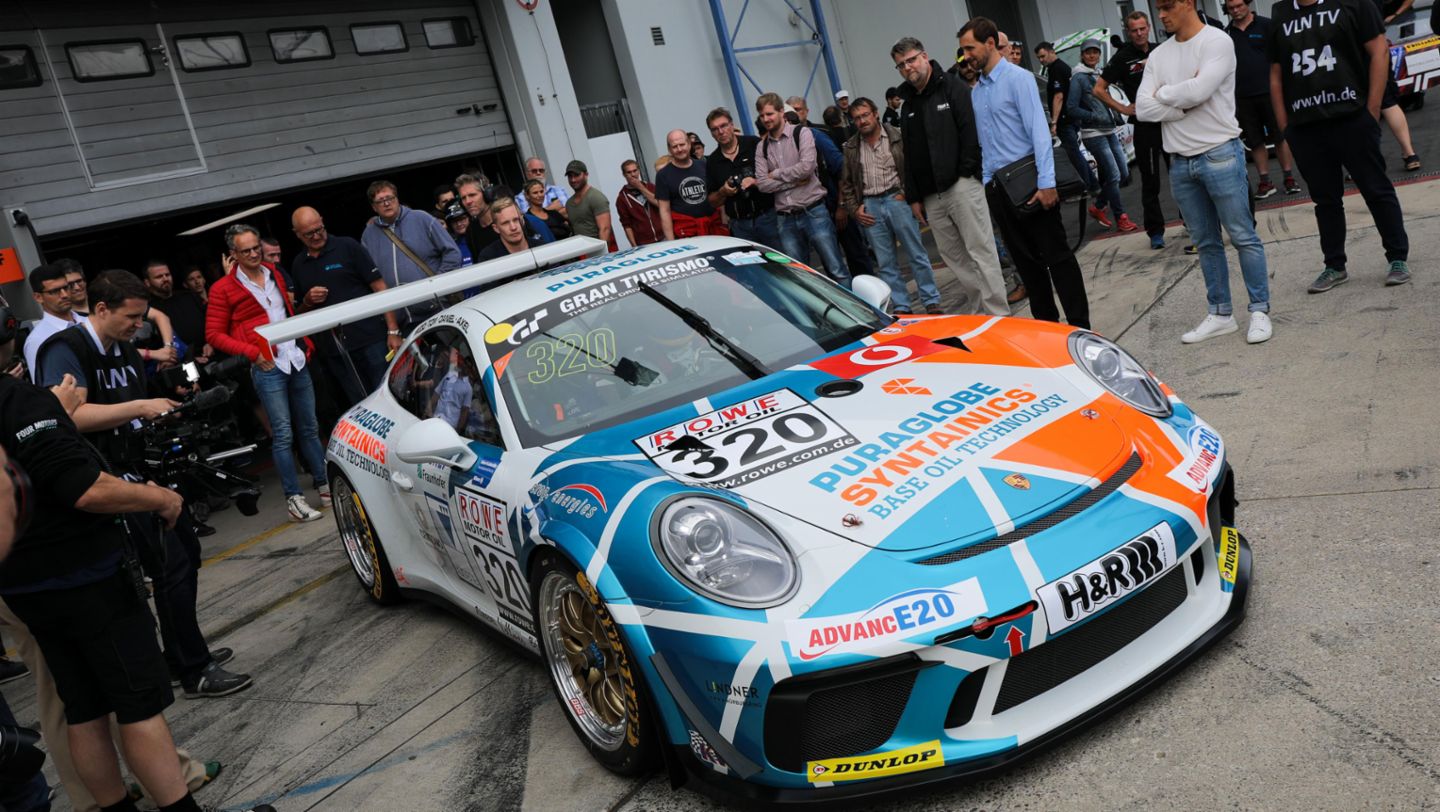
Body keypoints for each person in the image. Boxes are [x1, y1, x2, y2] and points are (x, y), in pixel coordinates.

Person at [0, 343, 274, 812]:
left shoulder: (28, 401)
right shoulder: (20, 399)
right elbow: (81, 487)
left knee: (84, 707)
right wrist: (160, 499)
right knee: (138, 706)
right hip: (82, 578)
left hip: (27, 586)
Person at [1137, 0, 1271, 344]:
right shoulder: (1159, 55)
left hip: (1220, 153)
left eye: (1167, 7)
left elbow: (1201, 90)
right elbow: (1142, 108)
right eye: (1158, 9)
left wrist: (1165, 94)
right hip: (1180, 161)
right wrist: (1181, 107)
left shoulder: (1216, 41)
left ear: (1188, 3)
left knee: (1243, 236)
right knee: (1206, 243)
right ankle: (1221, 313)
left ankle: (1259, 310)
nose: (1161, 15)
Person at [1269, 0, 1411, 291]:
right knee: (1325, 200)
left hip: (1352, 117)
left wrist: (1371, 111)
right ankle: (1334, 265)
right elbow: (1275, 74)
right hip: (1306, 126)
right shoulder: (1280, 12)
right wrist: (1286, 127)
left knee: (1376, 189)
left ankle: (1397, 258)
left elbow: (1379, 52)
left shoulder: (1355, 3)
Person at [958, 21, 1092, 328]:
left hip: (1032, 184)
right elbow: (984, 145)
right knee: (1028, 268)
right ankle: (1048, 330)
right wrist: (987, 185)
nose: (966, 56)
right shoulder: (977, 93)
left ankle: (1080, 327)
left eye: (970, 48)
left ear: (990, 43)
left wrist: (1047, 183)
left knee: (1058, 259)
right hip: (999, 190)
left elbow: (1039, 133)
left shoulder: (1018, 79)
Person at [208, 223, 331, 521]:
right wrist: (252, 353)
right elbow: (213, 334)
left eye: (256, 248)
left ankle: (325, 485)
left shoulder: (273, 272)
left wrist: (305, 344)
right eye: (246, 250)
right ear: (233, 254)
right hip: (267, 366)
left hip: (295, 358)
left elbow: (286, 312)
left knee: (310, 428)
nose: (253, 254)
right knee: (283, 434)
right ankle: (293, 498)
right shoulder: (223, 288)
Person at [893, 36, 1008, 315]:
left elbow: (971, 132)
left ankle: (998, 315)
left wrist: (966, 172)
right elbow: (910, 152)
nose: (908, 68)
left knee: (980, 251)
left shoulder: (952, 87)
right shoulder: (907, 105)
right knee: (954, 257)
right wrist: (914, 196)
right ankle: (981, 312)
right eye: (901, 65)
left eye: (911, 60)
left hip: (961, 185)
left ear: (924, 56)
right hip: (932, 197)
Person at [290, 207, 404, 408]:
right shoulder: (299, 264)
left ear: (323, 222)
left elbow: (380, 288)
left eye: (320, 229)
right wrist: (307, 301)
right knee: (361, 406)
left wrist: (393, 330)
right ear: (297, 234)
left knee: (392, 398)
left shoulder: (347, 246)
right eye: (309, 234)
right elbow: (297, 315)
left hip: (372, 340)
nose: (317, 236)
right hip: (336, 350)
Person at [840, 97, 943, 314]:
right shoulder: (851, 147)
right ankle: (902, 306)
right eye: (857, 118)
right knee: (886, 263)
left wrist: (909, 194)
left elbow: (915, 166)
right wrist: (854, 208)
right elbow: (846, 183)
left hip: (898, 200)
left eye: (865, 115)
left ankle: (931, 300)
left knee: (916, 254)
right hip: (870, 206)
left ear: (876, 113)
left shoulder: (897, 136)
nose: (862, 121)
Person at [753, 92, 851, 287]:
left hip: (814, 212)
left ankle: (853, 315)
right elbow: (762, 184)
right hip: (785, 219)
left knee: (836, 270)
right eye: (762, 116)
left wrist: (777, 174)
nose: (766, 119)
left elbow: (806, 168)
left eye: (769, 114)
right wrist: (793, 180)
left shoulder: (802, 133)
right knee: (800, 279)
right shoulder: (761, 147)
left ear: (781, 111)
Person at [1095, 12, 1171, 249]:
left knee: (1182, 176)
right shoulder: (1122, 57)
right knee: (1150, 182)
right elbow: (1098, 89)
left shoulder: (1162, 50)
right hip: (1144, 126)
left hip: (1169, 122)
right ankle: (1156, 232)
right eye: (1134, 30)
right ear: (1128, 31)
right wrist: (1123, 108)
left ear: (1149, 27)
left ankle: (1191, 222)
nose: (1139, 33)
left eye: (1142, 28)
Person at [360, 180, 463, 333]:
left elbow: (453, 253)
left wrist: (438, 283)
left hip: (438, 309)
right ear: (373, 207)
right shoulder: (368, 236)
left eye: (390, 198)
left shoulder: (421, 218)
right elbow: (371, 278)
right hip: (403, 321)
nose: (387, 204)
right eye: (380, 201)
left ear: (397, 199)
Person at [1224, 0, 1300, 197]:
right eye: (1231, 8)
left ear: (1247, 4)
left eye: (1239, 5)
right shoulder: (1226, 34)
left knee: (1280, 136)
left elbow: (1282, 56)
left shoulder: (1267, 25)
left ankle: (1289, 178)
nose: (1236, 10)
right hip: (1243, 96)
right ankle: (1265, 182)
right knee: (1255, 140)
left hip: (1270, 92)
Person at [1068, 39, 1140, 233]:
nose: (1092, 55)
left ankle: (1099, 206)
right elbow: (1071, 107)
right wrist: (1093, 116)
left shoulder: (1099, 73)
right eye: (1088, 52)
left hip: (1109, 129)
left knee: (1124, 173)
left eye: (1095, 52)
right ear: (1082, 55)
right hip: (1093, 134)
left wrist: (1115, 115)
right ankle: (1121, 217)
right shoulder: (1079, 78)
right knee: (1114, 175)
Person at [1035, 42, 1102, 213]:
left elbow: (1058, 96)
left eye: (1043, 56)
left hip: (1065, 119)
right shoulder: (1059, 68)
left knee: (1073, 154)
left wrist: (1054, 121)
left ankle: (1087, 187)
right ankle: (1091, 185)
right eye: (1039, 58)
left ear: (1051, 52)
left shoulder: (1057, 69)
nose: (1041, 60)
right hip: (1070, 117)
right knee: (1073, 152)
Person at [705, 108, 782, 248]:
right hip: (740, 226)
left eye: (723, 126)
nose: (721, 132)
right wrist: (723, 192)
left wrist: (756, 182)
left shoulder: (754, 144)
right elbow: (711, 202)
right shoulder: (712, 161)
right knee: (753, 268)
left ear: (731, 125)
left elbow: (778, 174)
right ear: (711, 133)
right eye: (715, 129)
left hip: (769, 217)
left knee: (784, 264)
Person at [22, 261, 84, 381]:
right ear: (38, 297)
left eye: (66, 287)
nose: (64, 295)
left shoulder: (89, 320)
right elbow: (42, 386)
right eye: (55, 291)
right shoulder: (38, 339)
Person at [656, 130, 722, 239]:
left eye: (682, 145)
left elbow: (718, 196)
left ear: (689, 144)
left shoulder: (704, 165)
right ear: (669, 149)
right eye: (675, 146)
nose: (679, 149)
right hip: (686, 232)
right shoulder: (663, 175)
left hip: (713, 228)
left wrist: (723, 224)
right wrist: (672, 242)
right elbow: (664, 211)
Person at [143, 261, 209, 360]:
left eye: (167, 275)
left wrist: (211, 342)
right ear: (147, 282)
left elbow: (212, 320)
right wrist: (185, 359)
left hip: (211, 353)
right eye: (159, 277)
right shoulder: (148, 310)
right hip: (179, 364)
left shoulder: (189, 296)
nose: (165, 279)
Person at [563, 160, 616, 249]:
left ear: (586, 175)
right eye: (570, 176)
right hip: (582, 252)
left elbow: (605, 229)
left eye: (576, 175)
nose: (573, 179)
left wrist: (602, 255)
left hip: (600, 251)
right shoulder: (569, 204)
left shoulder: (596, 197)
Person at [474, 198, 547, 262]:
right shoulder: (489, 257)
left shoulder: (542, 248)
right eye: (505, 223)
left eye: (516, 220)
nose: (513, 227)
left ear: (523, 220)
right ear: (496, 228)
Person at [615, 160, 664, 247]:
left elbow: (661, 205)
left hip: (663, 236)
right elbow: (627, 225)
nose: (633, 175)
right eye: (629, 172)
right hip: (644, 243)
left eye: (635, 171)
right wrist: (634, 246)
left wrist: (641, 188)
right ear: (624, 175)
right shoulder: (622, 198)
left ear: (639, 171)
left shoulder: (650, 187)